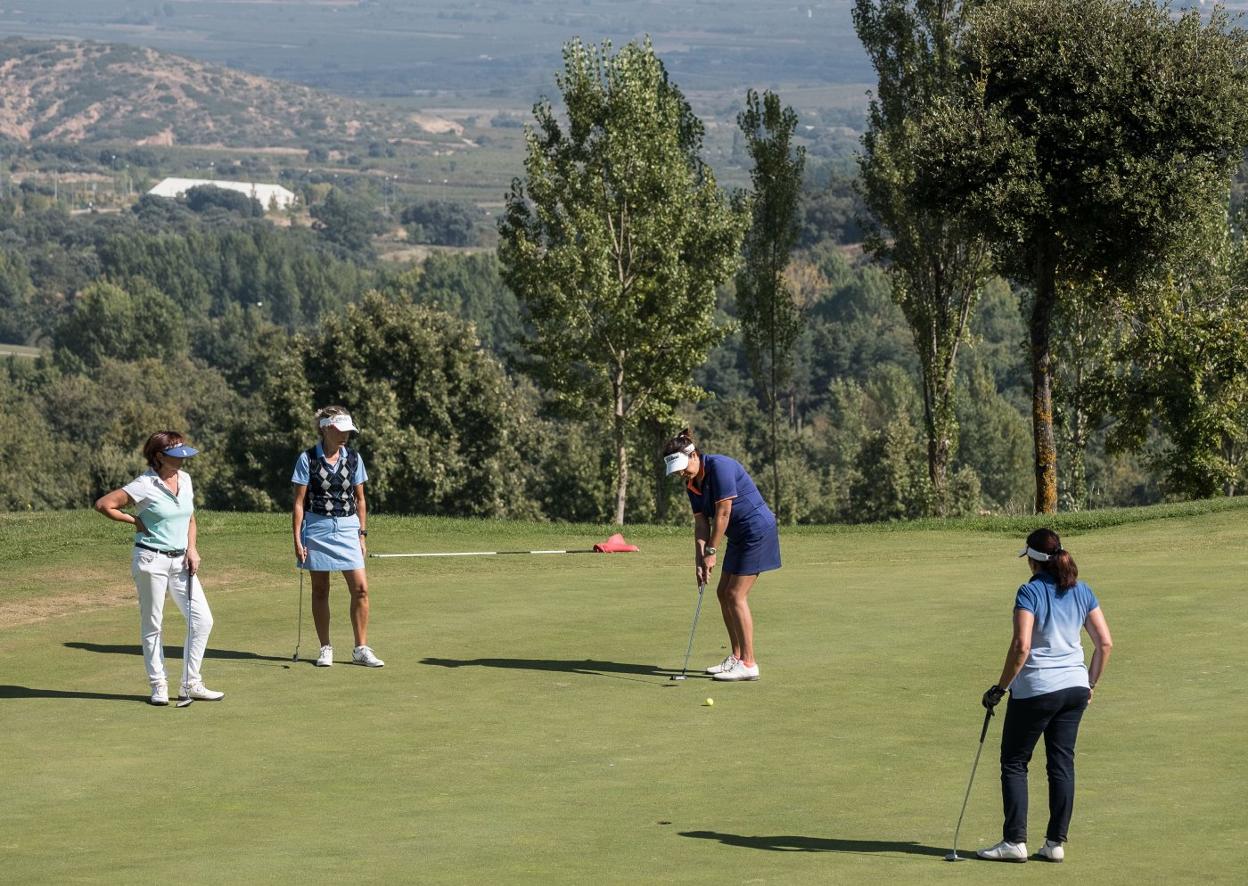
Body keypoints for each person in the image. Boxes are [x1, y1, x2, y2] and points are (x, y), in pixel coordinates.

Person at [977, 528, 1113, 863]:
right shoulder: (1082, 590)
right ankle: (1055, 844)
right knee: (1061, 763)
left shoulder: (1029, 593)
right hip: (1075, 689)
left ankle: (1014, 842)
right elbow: (1105, 644)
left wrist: (1000, 688)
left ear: (1033, 561)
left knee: (1014, 761)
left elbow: (1022, 647)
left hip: (1037, 690)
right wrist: (1090, 685)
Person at [94, 432, 224, 706]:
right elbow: (104, 504)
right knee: (153, 624)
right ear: (159, 456)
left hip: (181, 562)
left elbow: (190, 517)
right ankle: (159, 685)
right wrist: (133, 520)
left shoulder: (185, 479)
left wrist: (192, 548)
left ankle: (191, 683)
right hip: (150, 560)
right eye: (175, 456)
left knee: (203, 620)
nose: (182, 460)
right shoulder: (144, 484)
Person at [662, 428, 781, 682]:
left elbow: (723, 514)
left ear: (693, 455)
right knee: (721, 593)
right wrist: (699, 560)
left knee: (735, 594)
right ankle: (736, 658)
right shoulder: (692, 484)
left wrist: (712, 551)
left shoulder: (721, 467)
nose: (682, 473)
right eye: (678, 471)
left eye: (683, 467)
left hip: (757, 530)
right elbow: (702, 524)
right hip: (738, 535)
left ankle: (749, 663)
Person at [291, 406, 383, 668]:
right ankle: (325, 647)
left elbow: (361, 499)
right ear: (326, 428)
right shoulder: (307, 458)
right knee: (320, 589)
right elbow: (299, 503)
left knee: (361, 589)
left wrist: (362, 535)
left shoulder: (353, 458)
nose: (345, 437)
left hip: (347, 528)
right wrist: (297, 539)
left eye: (348, 432)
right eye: (341, 431)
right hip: (317, 527)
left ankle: (360, 648)